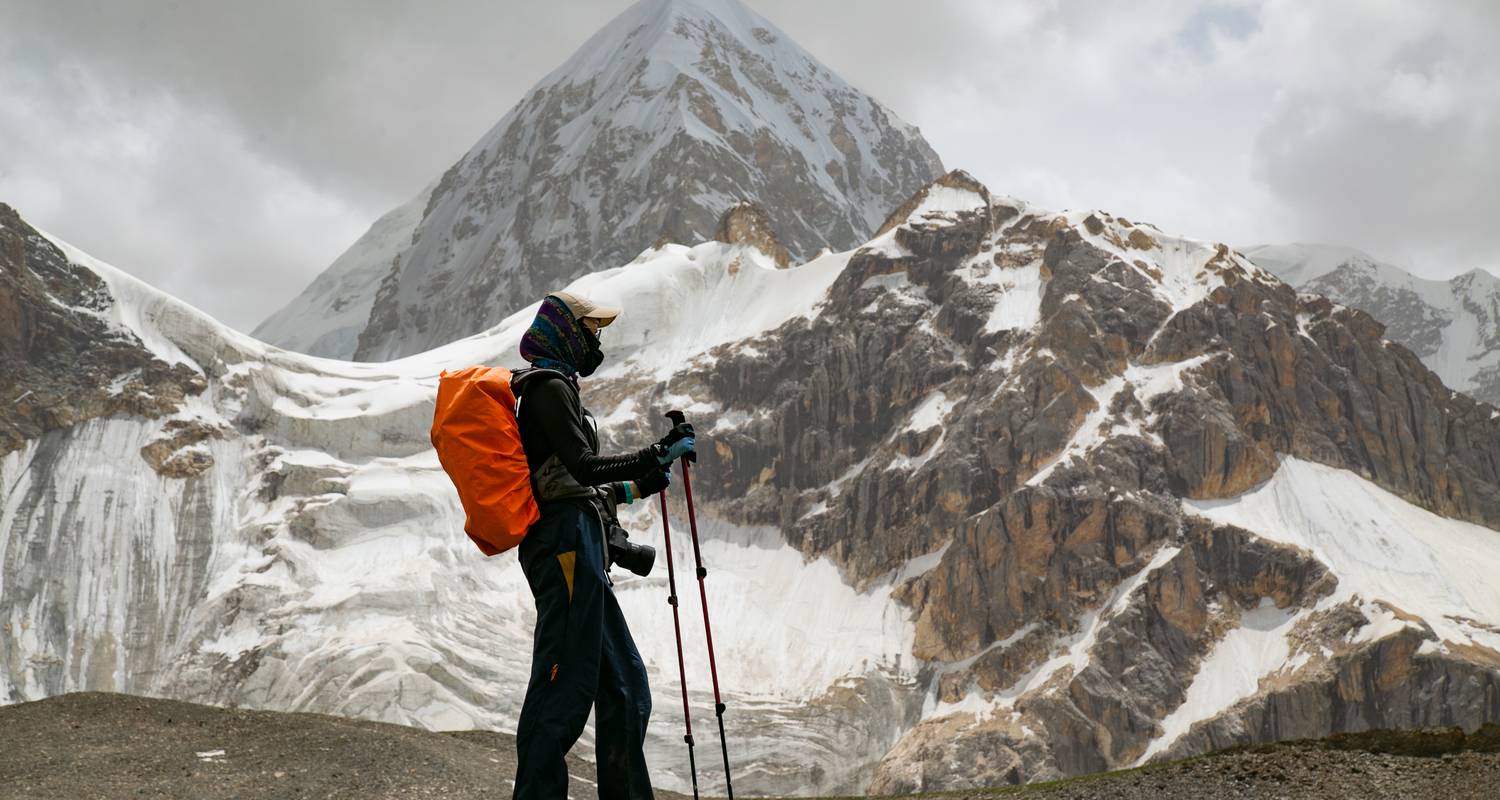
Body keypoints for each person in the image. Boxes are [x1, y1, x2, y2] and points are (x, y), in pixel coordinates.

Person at [509, 289, 695, 800]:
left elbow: (579, 486)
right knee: (562, 689)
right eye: (592, 329)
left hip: (582, 544)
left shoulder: (560, 386)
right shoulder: (547, 387)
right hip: (566, 549)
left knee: (625, 687)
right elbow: (583, 469)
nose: (597, 340)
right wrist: (656, 451)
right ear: (568, 331)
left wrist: (645, 479)